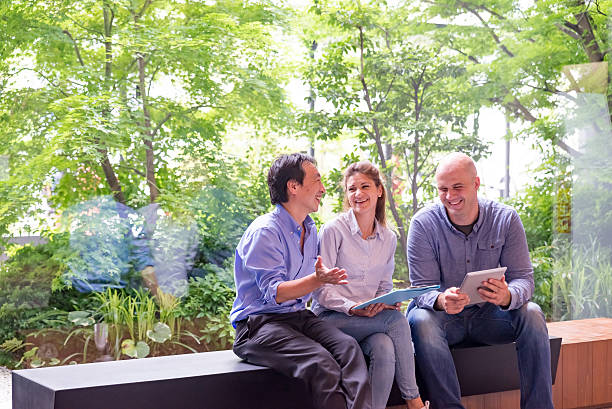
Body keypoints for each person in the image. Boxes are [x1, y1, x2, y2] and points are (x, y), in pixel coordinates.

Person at [406, 152, 554, 409]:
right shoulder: (423, 224)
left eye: (457, 187)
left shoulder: (505, 219)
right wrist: (441, 300)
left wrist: (507, 296)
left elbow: (524, 280)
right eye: (443, 189)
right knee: (420, 319)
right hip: (445, 320)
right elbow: (421, 289)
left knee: (532, 313)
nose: (450, 196)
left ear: (476, 184)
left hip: (491, 317)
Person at [230, 153, 372, 409]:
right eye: (316, 180)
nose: (323, 188)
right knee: (322, 364)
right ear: (293, 187)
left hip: (297, 318)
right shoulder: (265, 231)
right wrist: (316, 280)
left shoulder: (310, 228)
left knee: (350, 349)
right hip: (258, 325)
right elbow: (276, 293)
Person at [312, 161, 428, 409]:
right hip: (330, 318)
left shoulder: (388, 238)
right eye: (351, 189)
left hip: (367, 319)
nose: (357, 194)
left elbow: (383, 286)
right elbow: (321, 290)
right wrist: (353, 308)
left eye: (364, 186)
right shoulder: (333, 230)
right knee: (396, 322)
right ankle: (415, 402)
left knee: (384, 347)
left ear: (379, 190)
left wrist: (386, 301)